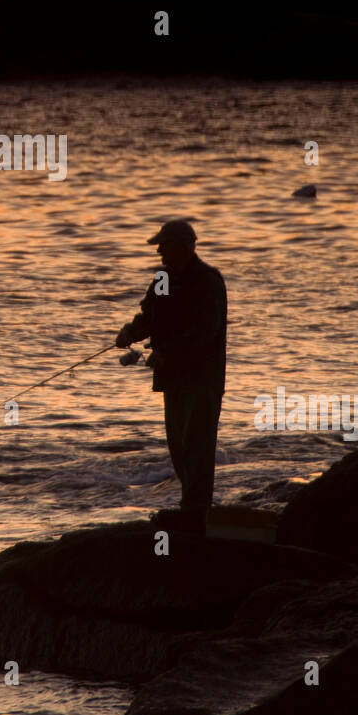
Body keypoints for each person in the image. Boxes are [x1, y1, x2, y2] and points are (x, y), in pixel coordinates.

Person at [115, 220, 227, 529]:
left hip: (202, 379)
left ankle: (196, 511)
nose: (159, 252)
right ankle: (190, 506)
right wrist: (131, 332)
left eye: (164, 246)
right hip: (173, 378)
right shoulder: (164, 279)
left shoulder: (207, 281)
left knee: (197, 443)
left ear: (182, 247)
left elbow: (205, 332)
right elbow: (152, 315)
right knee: (178, 444)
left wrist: (168, 352)